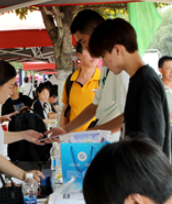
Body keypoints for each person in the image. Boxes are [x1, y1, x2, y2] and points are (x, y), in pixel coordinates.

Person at [89, 18, 171, 160]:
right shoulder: (137, 79)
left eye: (104, 56)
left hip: (149, 179)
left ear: (117, 49)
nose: (104, 64)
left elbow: (151, 147)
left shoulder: (146, 81)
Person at [47, 10, 129, 142]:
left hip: (116, 145)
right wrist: (65, 130)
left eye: (83, 41)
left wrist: (84, 135)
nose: (85, 47)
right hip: (103, 144)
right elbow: (95, 105)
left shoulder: (121, 66)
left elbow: (129, 117)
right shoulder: (106, 66)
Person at [59, 42, 100, 132]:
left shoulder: (103, 80)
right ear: (79, 55)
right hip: (74, 141)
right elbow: (66, 111)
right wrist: (62, 136)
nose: (94, 54)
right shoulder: (70, 81)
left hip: (96, 140)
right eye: (89, 50)